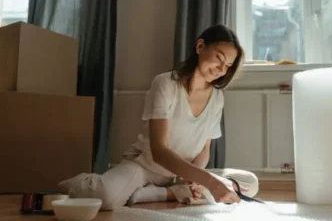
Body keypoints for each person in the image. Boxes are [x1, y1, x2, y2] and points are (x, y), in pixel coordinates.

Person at [58, 24, 259, 210]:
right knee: (106, 198)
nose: (220, 69)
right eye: (218, 58)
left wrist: (195, 179)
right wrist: (209, 182)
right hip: (146, 167)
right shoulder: (165, 84)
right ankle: (84, 182)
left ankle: (162, 193)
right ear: (200, 46)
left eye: (227, 66)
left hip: (184, 174)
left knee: (249, 182)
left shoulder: (217, 97)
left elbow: (204, 149)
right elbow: (160, 152)